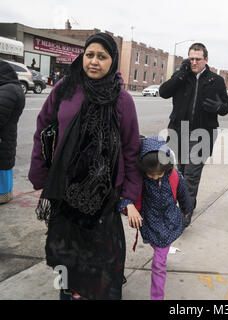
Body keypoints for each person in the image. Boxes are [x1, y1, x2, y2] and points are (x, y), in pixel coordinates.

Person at [28, 33, 142, 300]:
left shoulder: (123, 100)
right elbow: (43, 128)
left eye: (102, 56)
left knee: (100, 262)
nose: (93, 61)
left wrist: (128, 195)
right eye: (90, 55)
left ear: (112, 61)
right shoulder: (65, 88)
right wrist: (41, 174)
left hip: (104, 197)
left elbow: (131, 148)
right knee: (67, 257)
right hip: (65, 190)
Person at [159, 43, 228, 227]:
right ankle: (186, 205)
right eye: (191, 58)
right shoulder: (182, 76)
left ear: (206, 60)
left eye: (198, 59)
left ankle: (185, 214)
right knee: (179, 174)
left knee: (191, 176)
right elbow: (164, 92)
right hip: (179, 133)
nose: (194, 62)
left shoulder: (216, 81)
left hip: (202, 135)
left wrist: (218, 107)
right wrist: (181, 74)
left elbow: (226, 107)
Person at [119, 136, 192, 300]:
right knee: (158, 248)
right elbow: (126, 196)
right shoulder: (138, 180)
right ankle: (162, 255)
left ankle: (157, 297)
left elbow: (183, 194)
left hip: (170, 222)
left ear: (167, 167)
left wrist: (187, 210)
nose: (155, 177)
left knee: (158, 264)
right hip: (149, 224)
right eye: (151, 175)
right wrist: (128, 207)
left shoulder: (174, 176)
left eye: (159, 174)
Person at [0, 61, 25, 204]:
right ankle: (5, 193)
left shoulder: (8, 90)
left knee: (3, 164)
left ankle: (3, 195)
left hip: (3, 137)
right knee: (5, 163)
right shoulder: (12, 88)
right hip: (7, 136)